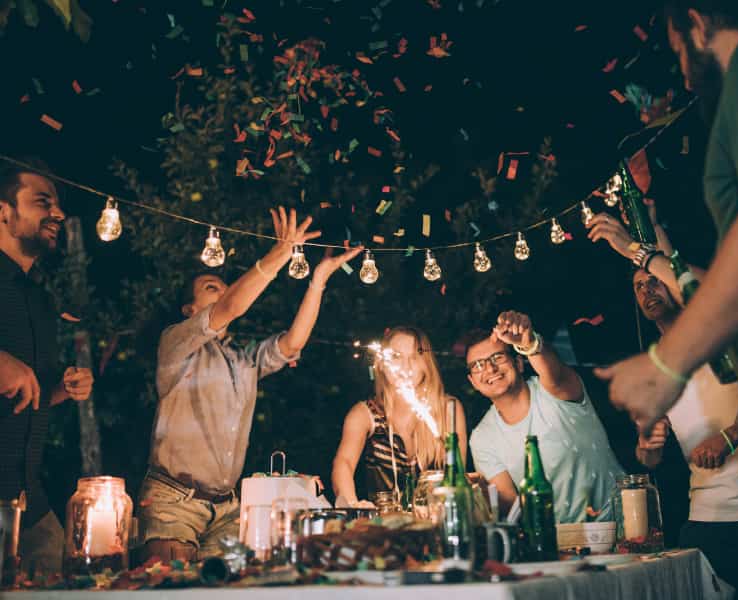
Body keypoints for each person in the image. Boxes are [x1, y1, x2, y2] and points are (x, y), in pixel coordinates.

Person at [596, 5, 738, 598]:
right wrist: (640, 244)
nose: (683, 73)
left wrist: (666, 362)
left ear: (697, 24)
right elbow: (726, 278)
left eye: (677, 48)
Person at [138, 207, 362, 563]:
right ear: (188, 308)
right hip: (173, 503)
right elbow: (230, 307)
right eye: (211, 288)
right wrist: (279, 253)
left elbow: (292, 344)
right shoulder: (175, 345)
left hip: (227, 507)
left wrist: (318, 279)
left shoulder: (242, 360)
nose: (223, 292)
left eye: (224, 287)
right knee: (171, 590)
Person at [587, 210, 738, 598]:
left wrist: (732, 436)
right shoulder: (656, 368)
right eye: (639, 287)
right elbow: (648, 460)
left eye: (655, 282)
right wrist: (646, 448)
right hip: (703, 523)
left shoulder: (723, 339)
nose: (649, 290)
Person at [0, 158, 94, 575]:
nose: (58, 213)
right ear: (4, 212)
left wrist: (62, 388)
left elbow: (26, 393)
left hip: (27, 497)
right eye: (43, 202)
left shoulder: (39, 299)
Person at [465, 310, 625, 521]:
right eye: (478, 365)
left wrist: (529, 343)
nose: (490, 368)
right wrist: (478, 495)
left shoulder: (554, 389)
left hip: (623, 526)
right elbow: (513, 510)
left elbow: (554, 372)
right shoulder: (482, 438)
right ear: (473, 382)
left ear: (520, 363)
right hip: (559, 546)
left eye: (498, 357)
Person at [332, 326, 468, 506]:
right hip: (384, 525)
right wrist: (352, 504)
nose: (406, 366)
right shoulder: (364, 414)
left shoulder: (448, 409)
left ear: (426, 363)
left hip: (437, 523)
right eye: (396, 356)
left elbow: (457, 475)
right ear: (381, 364)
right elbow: (344, 463)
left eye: (414, 357)